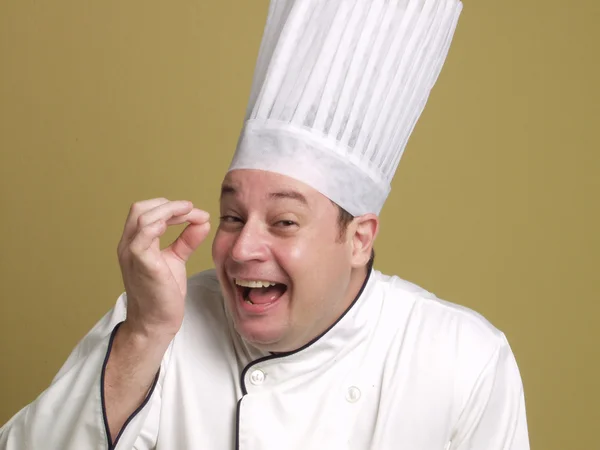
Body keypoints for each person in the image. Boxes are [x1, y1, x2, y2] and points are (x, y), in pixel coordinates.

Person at [0, 0, 530, 449]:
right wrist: (144, 333)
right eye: (233, 215)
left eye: (283, 221)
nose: (241, 247)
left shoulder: (462, 361)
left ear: (359, 240)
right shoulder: (159, 323)